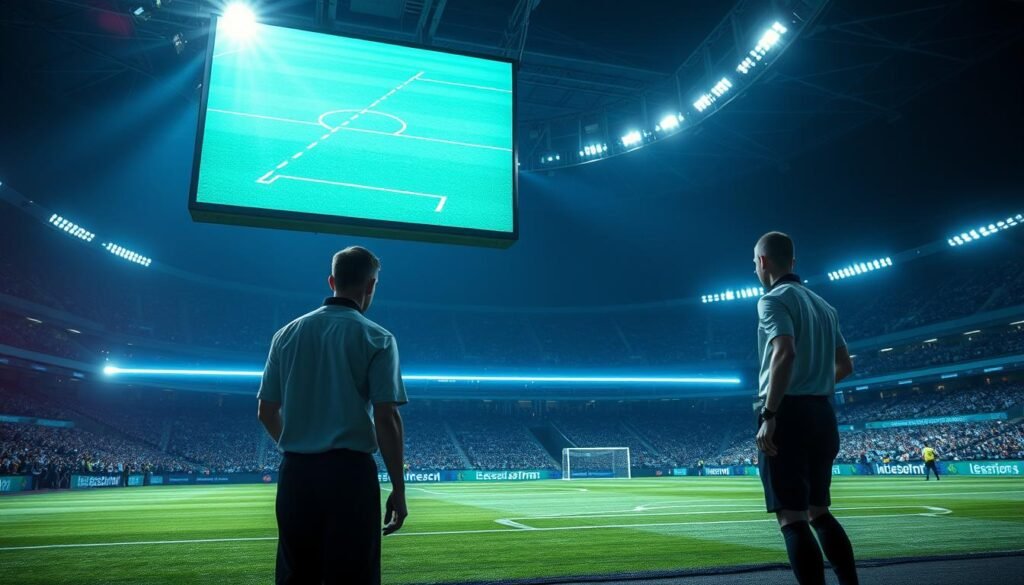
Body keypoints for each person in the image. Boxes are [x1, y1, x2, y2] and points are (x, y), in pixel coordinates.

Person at [258, 246, 409, 585]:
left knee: (297, 576)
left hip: (296, 473)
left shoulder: (286, 334)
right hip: (350, 476)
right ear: (370, 286)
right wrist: (398, 489)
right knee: (352, 576)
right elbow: (386, 418)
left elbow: (266, 411)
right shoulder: (378, 337)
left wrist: (298, 444)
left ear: (331, 281)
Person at [751, 232, 859, 585]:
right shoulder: (825, 306)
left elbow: (785, 351)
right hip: (822, 413)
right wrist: (815, 383)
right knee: (819, 512)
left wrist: (770, 414)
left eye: (755, 262)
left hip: (788, 413)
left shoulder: (773, 300)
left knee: (792, 518)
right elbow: (845, 366)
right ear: (792, 262)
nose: (755, 268)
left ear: (763, 262)